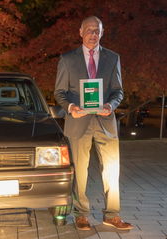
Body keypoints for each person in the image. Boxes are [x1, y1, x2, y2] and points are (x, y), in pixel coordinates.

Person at [54, 16, 133, 231]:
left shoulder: (112, 58)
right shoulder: (68, 59)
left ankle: (112, 215)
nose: (93, 34)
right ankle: (81, 214)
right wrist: (71, 108)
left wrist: (111, 105)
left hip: (106, 121)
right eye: (89, 30)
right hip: (78, 122)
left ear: (102, 32)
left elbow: (118, 91)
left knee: (112, 170)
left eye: (97, 30)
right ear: (80, 32)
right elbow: (59, 92)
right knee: (79, 171)